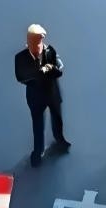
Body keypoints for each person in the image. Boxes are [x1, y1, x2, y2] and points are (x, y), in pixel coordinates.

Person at [14, 24, 71, 166]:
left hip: (52, 94)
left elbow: (60, 69)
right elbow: (20, 77)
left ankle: (59, 139)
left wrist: (51, 68)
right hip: (36, 97)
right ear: (29, 41)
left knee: (57, 118)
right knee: (38, 124)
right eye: (33, 42)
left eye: (38, 42)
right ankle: (38, 151)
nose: (36, 46)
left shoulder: (50, 51)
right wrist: (38, 73)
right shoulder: (20, 57)